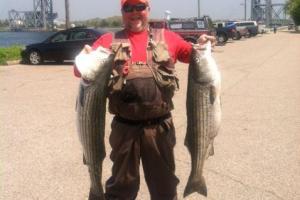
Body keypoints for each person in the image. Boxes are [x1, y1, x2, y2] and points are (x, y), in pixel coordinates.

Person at [74, 0, 216, 199]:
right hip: (124, 129)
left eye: (140, 7)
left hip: (160, 129)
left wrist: (202, 43)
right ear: (122, 12)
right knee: (121, 189)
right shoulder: (108, 40)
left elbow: (194, 57)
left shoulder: (167, 37)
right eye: (128, 8)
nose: (134, 13)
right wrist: (83, 56)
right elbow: (80, 71)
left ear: (148, 10)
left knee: (164, 188)